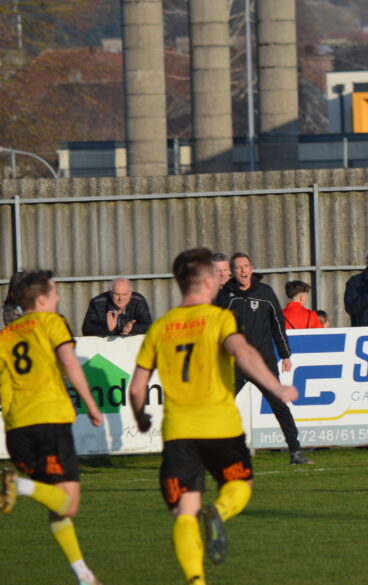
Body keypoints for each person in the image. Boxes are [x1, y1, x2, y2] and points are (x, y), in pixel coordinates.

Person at [129, 248, 298, 585]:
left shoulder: (161, 327)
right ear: (208, 281)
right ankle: (218, 513)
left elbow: (136, 388)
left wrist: (141, 416)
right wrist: (275, 387)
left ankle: (196, 579)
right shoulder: (220, 318)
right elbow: (243, 352)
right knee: (240, 487)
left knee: (184, 514)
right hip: (220, 428)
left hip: (179, 433)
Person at [0, 270, 105, 585]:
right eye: (54, 293)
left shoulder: (0, 339)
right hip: (50, 421)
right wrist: (91, 406)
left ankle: (83, 574)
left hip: (16, 430)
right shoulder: (53, 322)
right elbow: (69, 363)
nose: (59, 297)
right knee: (70, 502)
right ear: (41, 299)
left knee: (55, 502)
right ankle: (19, 485)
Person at [215, 253, 313, 465]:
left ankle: (296, 452)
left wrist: (285, 354)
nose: (243, 271)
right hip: (235, 364)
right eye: (238, 267)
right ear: (232, 272)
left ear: (251, 269)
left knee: (280, 406)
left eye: (246, 266)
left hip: (263, 364)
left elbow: (277, 324)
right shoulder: (224, 296)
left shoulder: (265, 293)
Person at [80, 277, 153, 337]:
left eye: (124, 294)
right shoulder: (97, 302)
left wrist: (132, 328)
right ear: (110, 293)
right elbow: (87, 329)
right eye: (117, 294)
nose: (120, 298)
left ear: (130, 293)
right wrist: (107, 328)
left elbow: (149, 326)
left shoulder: (138, 300)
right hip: (104, 347)